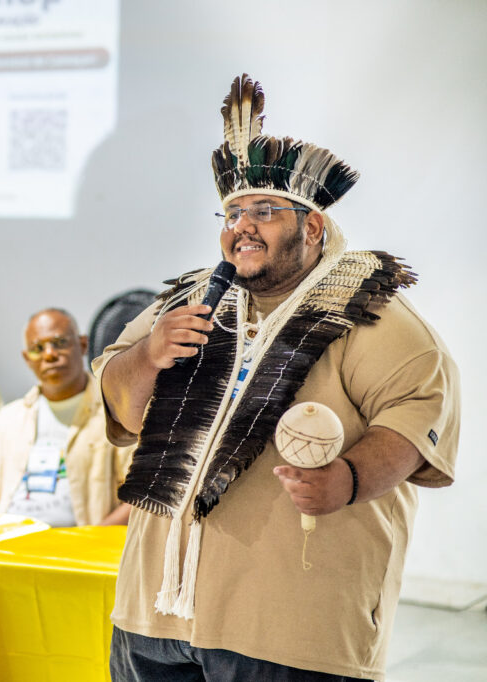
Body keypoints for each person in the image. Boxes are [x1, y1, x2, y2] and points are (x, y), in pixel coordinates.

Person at [96, 74, 460, 681]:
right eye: (233, 211)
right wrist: (146, 356)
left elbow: (417, 411)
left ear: (312, 227)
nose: (242, 225)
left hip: (287, 624)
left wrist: (347, 478)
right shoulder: (190, 302)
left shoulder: (366, 308)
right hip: (153, 615)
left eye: (264, 211)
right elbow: (119, 405)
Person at [0, 308, 132, 526]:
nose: (49, 354)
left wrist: (90, 541)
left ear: (82, 345)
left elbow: (139, 499)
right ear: (27, 358)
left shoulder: (119, 413)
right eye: (37, 348)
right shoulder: (9, 418)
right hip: (5, 544)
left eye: (60, 342)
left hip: (75, 550)